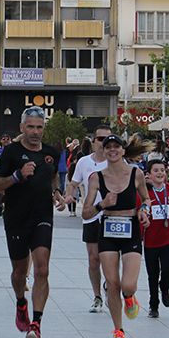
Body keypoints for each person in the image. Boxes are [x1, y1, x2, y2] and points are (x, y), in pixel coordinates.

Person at [0, 107, 64, 338]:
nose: (35, 132)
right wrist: (17, 176)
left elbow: (53, 176)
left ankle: (36, 323)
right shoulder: (11, 152)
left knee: (42, 269)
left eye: (39, 127)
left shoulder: (51, 152)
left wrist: (57, 192)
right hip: (16, 218)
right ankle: (21, 302)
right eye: (30, 127)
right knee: (19, 272)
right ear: (22, 127)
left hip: (42, 216)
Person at [82, 135, 151, 338]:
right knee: (112, 283)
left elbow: (146, 198)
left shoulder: (136, 173)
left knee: (127, 285)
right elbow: (86, 213)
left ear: (123, 151)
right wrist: (102, 204)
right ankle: (118, 330)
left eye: (116, 147)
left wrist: (144, 210)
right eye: (108, 147)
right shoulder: (96, 178)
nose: (112, 150)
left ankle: (129, 297)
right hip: (107, 230)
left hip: (131, 230)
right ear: (103, 151)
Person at [64, 125, 111, 313]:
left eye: (108, 139)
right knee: (93, 259)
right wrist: (69, 195)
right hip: (91, 215)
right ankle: (97, 296)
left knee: (110, 258)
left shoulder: (117, 161)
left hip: (112, 217)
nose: (104, 143)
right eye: (100, 139)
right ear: (93, 142)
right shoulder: (84, 162)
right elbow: (73, 183)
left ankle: (110, 286)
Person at [143, 159, 169, 318]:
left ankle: (164, 287)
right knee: (152, 274)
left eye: (162, 170)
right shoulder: (145, 193)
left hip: (167, 239)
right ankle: (153, 306)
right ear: (148, 174)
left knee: (168, 270)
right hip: (150, 240)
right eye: (156, 170)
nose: (160, 173)